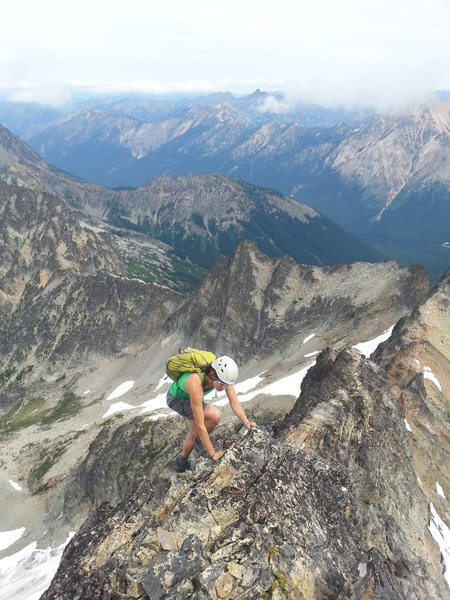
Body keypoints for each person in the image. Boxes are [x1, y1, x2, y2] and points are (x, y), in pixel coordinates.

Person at [166, 355, 256, 472]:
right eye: (222, 384)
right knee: (214, 415)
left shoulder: (222, 378)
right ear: (212, 375)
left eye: (226, 385)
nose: (224, 387)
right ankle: (199, 445)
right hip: (176, 399)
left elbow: (234, 401)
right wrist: (213, 454)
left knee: (195, 432)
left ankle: (181, 463)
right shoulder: (195, 382)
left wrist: (246, 422)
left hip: (189, 396)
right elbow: (200, 425)